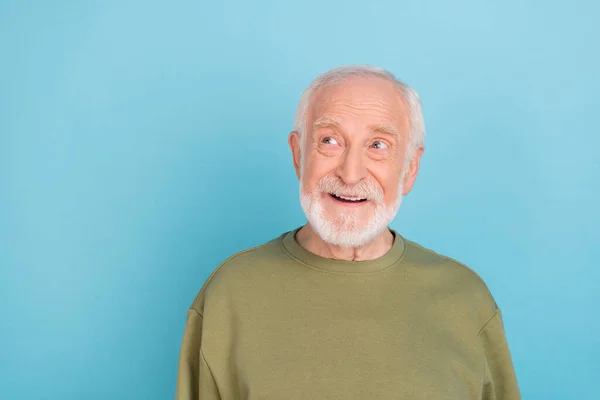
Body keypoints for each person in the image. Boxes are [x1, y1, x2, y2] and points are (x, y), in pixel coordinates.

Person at [174, 65, 521, 399]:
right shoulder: (230, 294)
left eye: (378, 145)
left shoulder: (466, 299)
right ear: (298, 155)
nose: (351, 174)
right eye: (330, 140)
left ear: (410, 168)